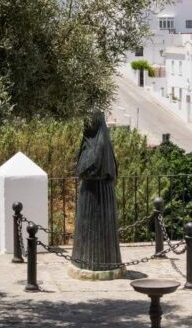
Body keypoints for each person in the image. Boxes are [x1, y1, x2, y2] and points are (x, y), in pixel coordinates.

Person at [70, 110, 122, 271]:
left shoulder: (97, 146)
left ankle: (91, 262)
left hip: (93, 195)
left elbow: (87, 168)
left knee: (94, 233)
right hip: (101, 194)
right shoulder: (102, 143)